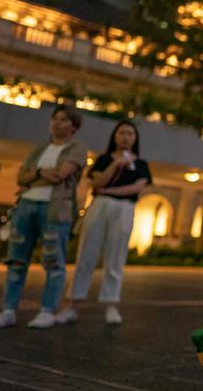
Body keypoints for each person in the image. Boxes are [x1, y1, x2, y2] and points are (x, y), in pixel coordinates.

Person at [0, 104, 88, 329]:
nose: (57, 123)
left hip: (54, 209)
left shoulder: (77, 149)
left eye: (63, 119)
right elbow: (20, 177)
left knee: (53, 261)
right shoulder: (39, 148)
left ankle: (47, 310)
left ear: (74, 126)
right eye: (54, 118)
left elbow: (61, 175)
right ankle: (8, 309)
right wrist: (42, 173)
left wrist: (32, 177)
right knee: (16, 260)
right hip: (26, 206)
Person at [56, 120, 152, 325]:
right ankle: (73, 304)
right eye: (121, 133)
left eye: (130, 134)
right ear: (115, 136)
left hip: (124, 208)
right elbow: (97, 181)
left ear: (135, 138)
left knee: (116, 256)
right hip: (100, 206)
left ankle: (111, 304)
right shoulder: (104, 160)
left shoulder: (141, 165)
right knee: (86, 254)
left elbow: (135, 188)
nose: (126, 137)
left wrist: (108, 191)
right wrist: (115, 164)